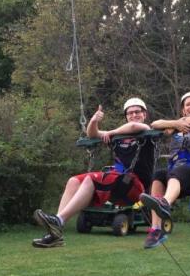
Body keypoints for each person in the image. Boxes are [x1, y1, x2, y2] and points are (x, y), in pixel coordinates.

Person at [32, 97, 155, 248]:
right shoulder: (118, 136)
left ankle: (58, 220)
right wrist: (94, 120)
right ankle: (55, 233)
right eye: (130, 113)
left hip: (136, 186)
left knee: (91, 179)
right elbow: (92, 134)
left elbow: (135, 126)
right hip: (119, 182)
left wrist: (111, 132)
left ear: (145, 114)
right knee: (73, 181)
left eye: (137, 112)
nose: (134, 115)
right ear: (126, 116)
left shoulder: (147, 132)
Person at [140, 92, 190, 249]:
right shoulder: (176, 127)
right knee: (158, 175)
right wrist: (177, 124)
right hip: (175, 175)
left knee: (178, 172)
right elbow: (155, 124)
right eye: (188, 104)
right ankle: (156, 230)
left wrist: (174, 125)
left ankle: (165, 203)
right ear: (183, 110)